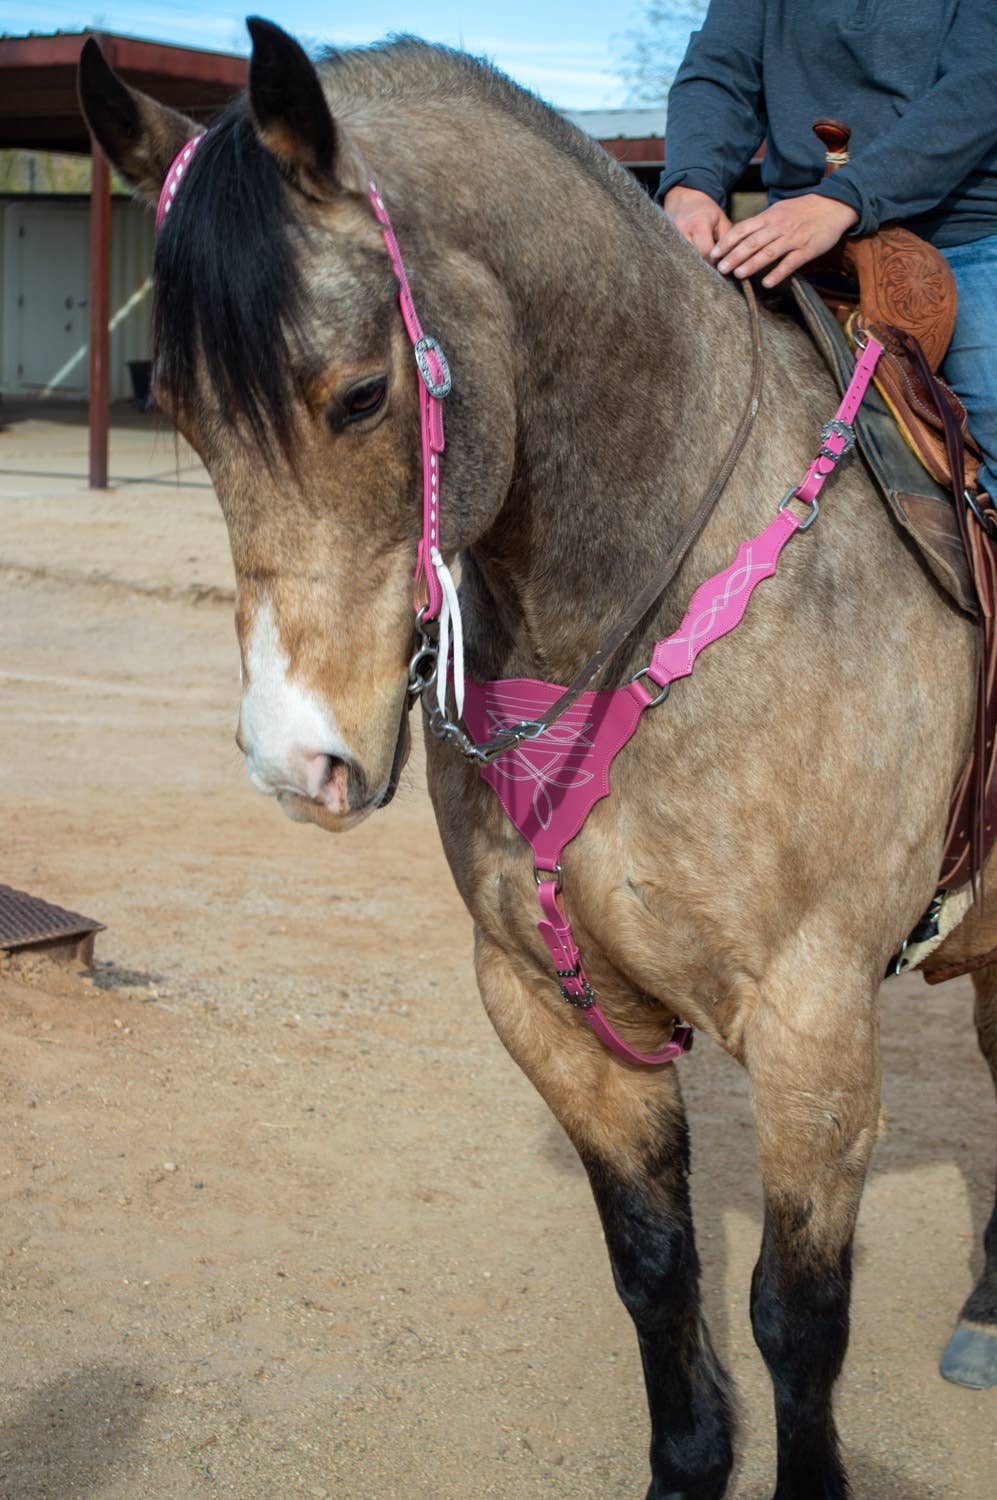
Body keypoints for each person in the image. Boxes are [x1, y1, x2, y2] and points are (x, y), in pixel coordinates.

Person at [659, 0, 997, 498]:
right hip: (791, 241)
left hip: (961, 238)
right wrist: (691, 186)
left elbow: (979, 86)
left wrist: (845, 199)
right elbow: (720, 70)